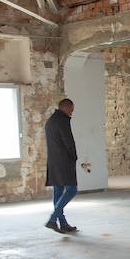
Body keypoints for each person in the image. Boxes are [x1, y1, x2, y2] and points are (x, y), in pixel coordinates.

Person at [44, 98, 79, 234]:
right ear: (65, 107)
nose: (72, 112)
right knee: (72, 189)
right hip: (64, 162)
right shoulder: (63, 121)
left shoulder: (51, 121)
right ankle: (53, 219)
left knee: (58, 191)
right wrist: (74, 157)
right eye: (71, 109)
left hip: (53, 161)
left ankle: (62, 223)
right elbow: (68, 141)